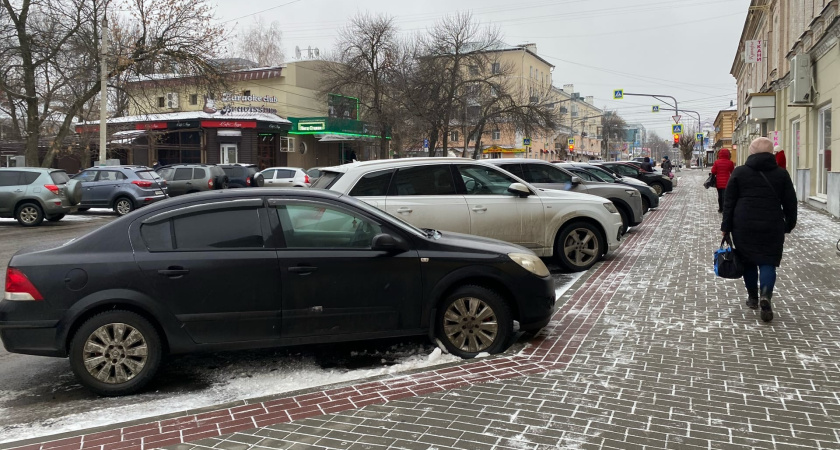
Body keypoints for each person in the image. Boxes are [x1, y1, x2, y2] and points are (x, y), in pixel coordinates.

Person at [721, 137, 797, 323]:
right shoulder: (781, 174)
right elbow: (790, 202)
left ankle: (753, 298)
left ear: (751, 152)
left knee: (748, 261)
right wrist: (789, 224)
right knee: (768, 261)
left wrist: (726, 227)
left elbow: (729, 202)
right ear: (771, 153)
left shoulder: (739, 172)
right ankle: (766, 295)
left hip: (743, 224)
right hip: (772, 224)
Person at [710, 148, 734, 213]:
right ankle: (724, 208)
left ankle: (720, 209)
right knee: (725, 196)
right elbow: (732, 172)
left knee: (720, 195)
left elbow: (713, 171)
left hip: (719, 182)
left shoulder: (717, 162)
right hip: (727, 182)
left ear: (719, 154)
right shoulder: (730, 162)